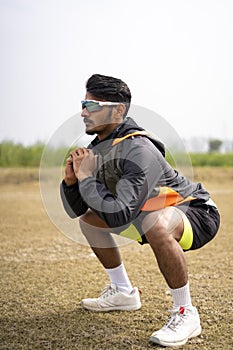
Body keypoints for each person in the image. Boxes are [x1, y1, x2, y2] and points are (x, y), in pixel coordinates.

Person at [60, 74, 220, 347]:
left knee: (156, 224)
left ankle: (186, 313)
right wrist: (72, 183)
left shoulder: (138, 148)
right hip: (146, 214)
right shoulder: (98, 148)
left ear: (118, 110)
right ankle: (123, 291)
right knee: (89, 220)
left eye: (93, 105)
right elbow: (79, 211)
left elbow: (120, 214)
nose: (84, 111)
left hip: (195, 211)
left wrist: (87, 178)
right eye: (83, 103)